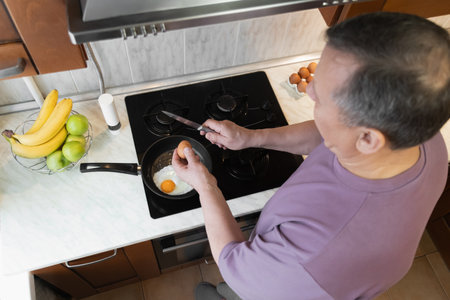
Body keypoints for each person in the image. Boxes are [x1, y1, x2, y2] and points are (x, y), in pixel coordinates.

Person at [172, 12, 450, 300]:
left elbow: (231, 261)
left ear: (368, 138)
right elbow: (326, 134)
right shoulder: (421, 135)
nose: (310, 90)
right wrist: (251, 138)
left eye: (323, 95)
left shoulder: (315, 254)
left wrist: (205, 185)